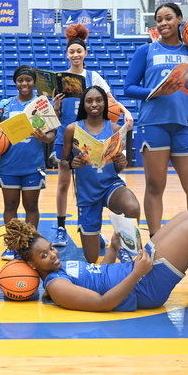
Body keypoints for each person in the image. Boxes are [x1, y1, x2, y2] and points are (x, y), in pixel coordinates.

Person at [0, 213, 188, 314]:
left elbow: (101, 273)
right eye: (44, 256)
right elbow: (103, 303)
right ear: (32, 265)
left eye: (50, 249)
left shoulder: (59, 268)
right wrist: (137, 273)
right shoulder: (56, 286)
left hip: (136, 272)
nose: (52, 255)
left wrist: (113, 249)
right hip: (143, 288)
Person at [123, 2, 188, 237]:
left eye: (168, 18)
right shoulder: (146, 51)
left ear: (179, 19)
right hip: (153, 124)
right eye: (159, 20)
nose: (163, 23)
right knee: (155, 186)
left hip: (184, 124)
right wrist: (155, 91)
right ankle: (155, 240)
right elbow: (128, 87)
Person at [52, 24, 133, 249]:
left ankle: (91, 230)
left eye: (79, 51)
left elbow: (110, 100)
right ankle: (61, 228)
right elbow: (55, 114)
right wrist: (55, 106)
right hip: (67, 134)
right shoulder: (60, 79)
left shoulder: (93, 76)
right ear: (66, 54)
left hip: (91, 135)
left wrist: (126, 112)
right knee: (64, 183)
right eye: (71, 51)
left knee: (89, 182)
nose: (75, 54)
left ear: (85, 53)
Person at [0, 65, 56, 260]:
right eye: (20, 80)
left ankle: (30, 245)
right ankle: (12, 245)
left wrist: (43, 137)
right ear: (15, 83)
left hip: (33, 165)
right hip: (9, 165)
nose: (24, 83)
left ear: (34, 82)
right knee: (10, 205)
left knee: (31, 206)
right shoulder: (5, 105)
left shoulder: (42, 105)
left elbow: (51, 134)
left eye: (28, 80)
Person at [62, 86, 140, 264]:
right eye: (89, 101)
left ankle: (123, 249)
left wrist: (121, 163)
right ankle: (97, 238)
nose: (94, 104)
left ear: (105, 103)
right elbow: (62, 163)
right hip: (87, 194)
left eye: (99, 100)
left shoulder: (115, 129)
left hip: (110, 186)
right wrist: (71, 164)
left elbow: (118, 168)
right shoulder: (72, 129)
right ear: (83, 105)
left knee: (132, 207)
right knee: (92, 258)